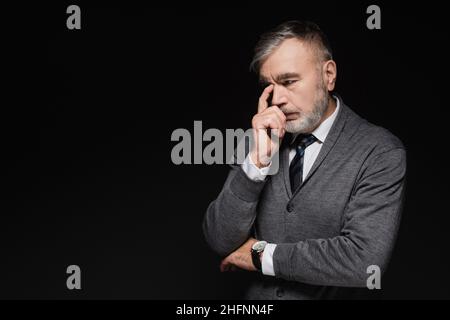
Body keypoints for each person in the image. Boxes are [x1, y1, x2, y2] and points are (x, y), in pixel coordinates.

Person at [203, 20, 406, 300]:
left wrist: (259, 254)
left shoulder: (379, 151)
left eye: (289, 81)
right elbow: (219, 239)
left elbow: (365, 261)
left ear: (329, 75)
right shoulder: (260, 138)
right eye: (270, 86)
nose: (279, 100)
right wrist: (256, 164)